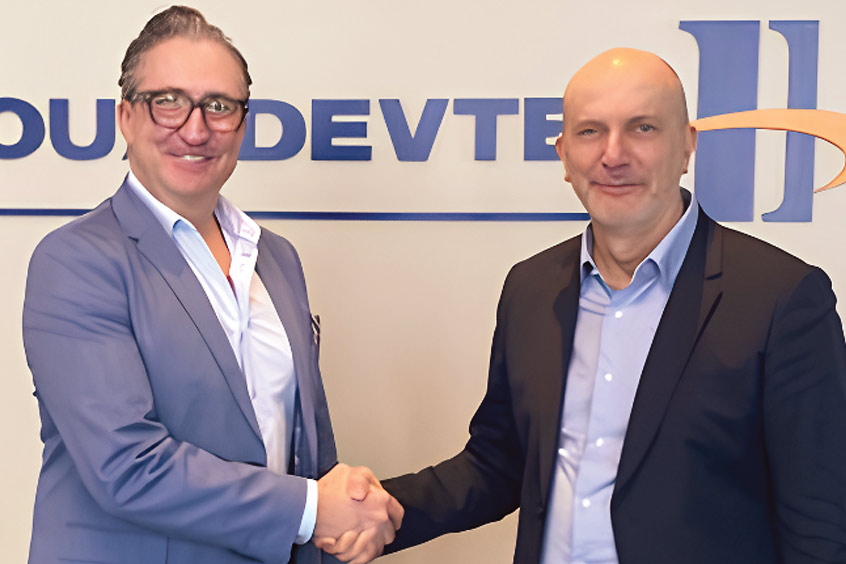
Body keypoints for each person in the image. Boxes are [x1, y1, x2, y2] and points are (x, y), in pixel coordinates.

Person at [320, 48, 846, 563]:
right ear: (564, 155)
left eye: (643, 128)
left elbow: (820, 523)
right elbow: (499, 463)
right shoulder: (531, 287)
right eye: (590, 131)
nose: (613, 155)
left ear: (687, 146)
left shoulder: (782, 299)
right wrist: (381, 510)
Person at [22, 6, 400, 564]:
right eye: (168, 102)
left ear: (242, 124)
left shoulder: (276, 258)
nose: (195, 129)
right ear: (126, 117)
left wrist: (344, 517)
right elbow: (127, 467)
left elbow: (302, 449)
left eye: (219, 106)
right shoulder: (76, 261)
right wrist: (313, 508)